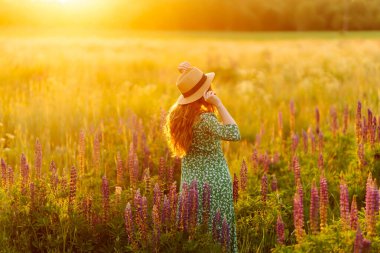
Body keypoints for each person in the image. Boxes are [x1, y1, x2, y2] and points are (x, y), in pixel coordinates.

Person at [163, 61, 240, 253]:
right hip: (215, 183)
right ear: (205, 92)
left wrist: (189, 77)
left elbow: (189, 93)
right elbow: (234, 133)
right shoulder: (206, 119)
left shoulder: (177, 118)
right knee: (219, 234)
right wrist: (219, 104)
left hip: (191, 185)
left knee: (195, 234)